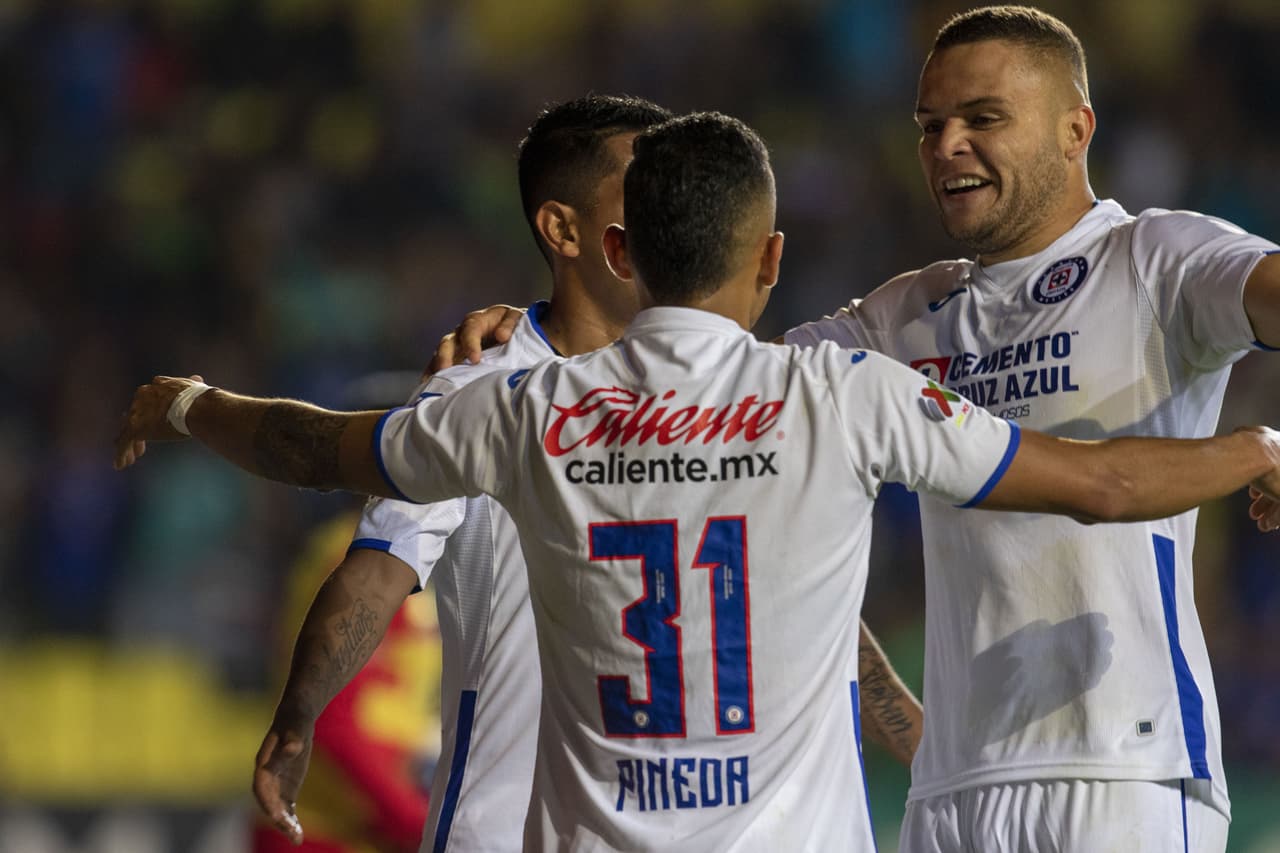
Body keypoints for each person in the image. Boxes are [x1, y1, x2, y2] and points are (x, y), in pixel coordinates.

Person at [116, 111, 1280, 850]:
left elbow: (311, 448)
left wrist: (185, 404)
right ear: (766, 258)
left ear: (627, 250)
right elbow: (1096, 480)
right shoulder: (829, 394)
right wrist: (1256, 451)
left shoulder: (519, 413)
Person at [437, 8, 1280, 850]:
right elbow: (692, 365)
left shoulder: (1154, 259)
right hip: (947, 786)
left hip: (1121, 769)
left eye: (982, 118)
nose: (946, 144)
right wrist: (556, 324)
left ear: (1075, 128)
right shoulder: (904, 314)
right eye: (929, 125)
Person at [251, 94, 921, 853]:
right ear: (565, 229)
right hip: (501, 827)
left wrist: (911, 730)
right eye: (642, 190)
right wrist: (298, 714)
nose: (668, 206)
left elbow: (782, 589)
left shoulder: (722, 386)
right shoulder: (482, 389)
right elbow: (378, 568)